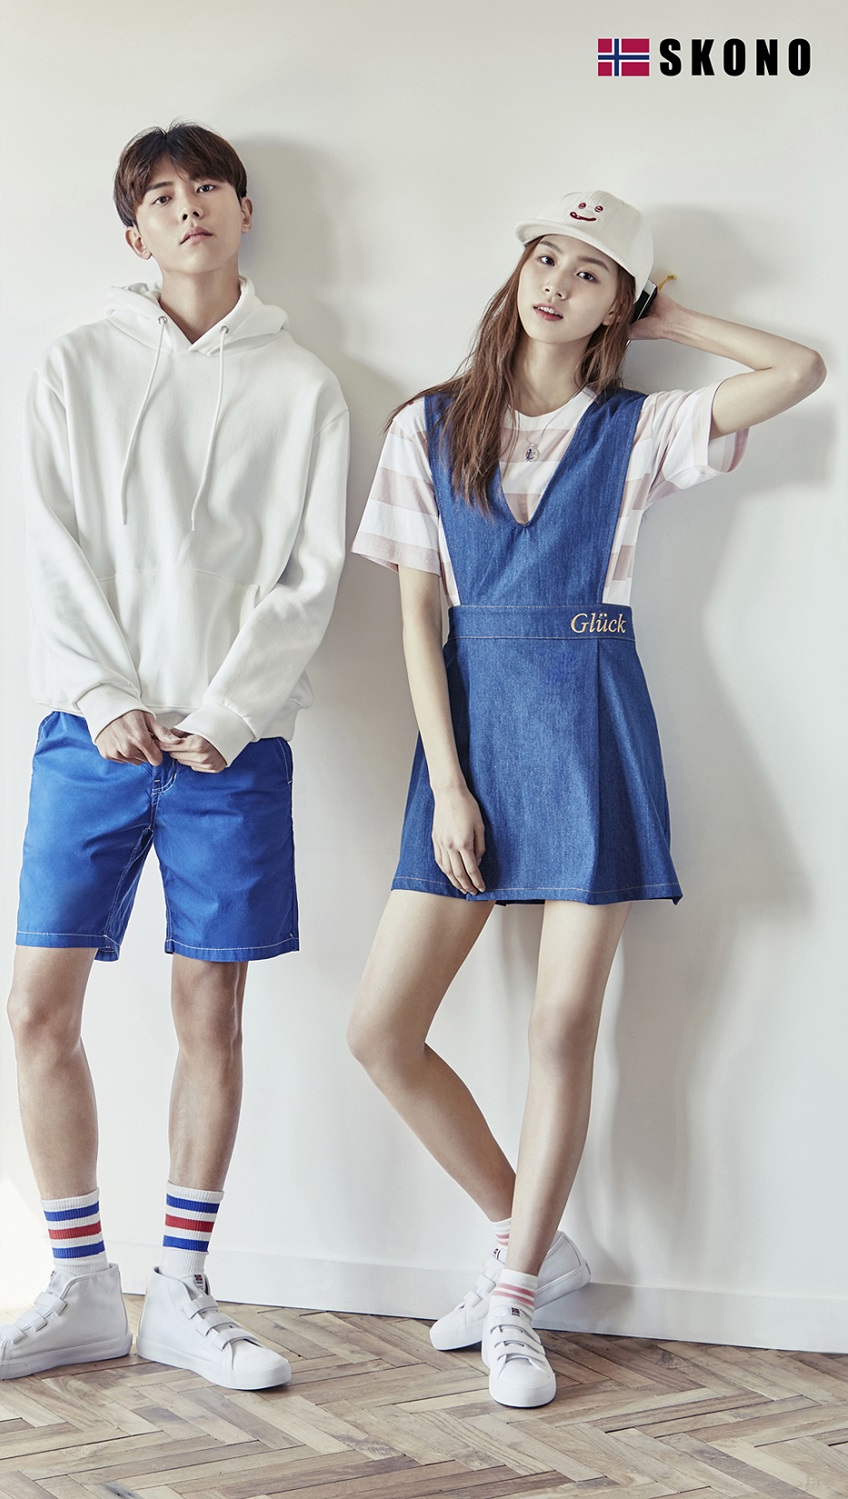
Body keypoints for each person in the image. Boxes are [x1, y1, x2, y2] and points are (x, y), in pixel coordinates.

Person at [348, 190, 824, 1408]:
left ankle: (512, 1299)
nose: (556, 282)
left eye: (593, 272)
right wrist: (448, 783)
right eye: (545, 256)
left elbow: (799, 371)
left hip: (590, 723)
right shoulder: (424, 424)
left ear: (621, 303)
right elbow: (415, 616)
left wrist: (679, 322)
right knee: (381, 1031)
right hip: (471, 733)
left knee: (561, 1026)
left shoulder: (639, 427)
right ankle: (530, 1241)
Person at [0, 123, 348, 1388]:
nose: (188, 209)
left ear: (242, 212)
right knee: (36, 1005)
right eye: (161, 197)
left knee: (208, 1011)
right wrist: (104, 692)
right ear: (136, 232)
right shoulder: (75, 363)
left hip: (235, 747)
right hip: (90, 734)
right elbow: (50, 540)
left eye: (207, 188)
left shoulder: (304, 386)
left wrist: (225, 713)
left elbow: (309, 575)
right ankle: (75, 1286)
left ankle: (179, 1291)